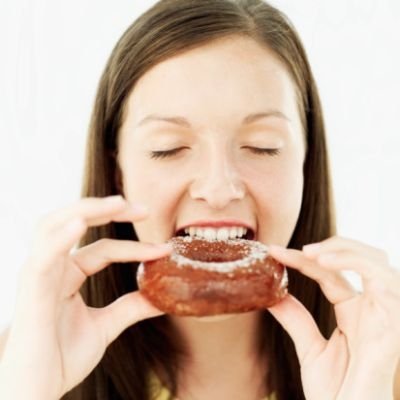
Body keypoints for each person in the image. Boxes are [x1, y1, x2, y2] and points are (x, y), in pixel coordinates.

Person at [0, 0, 399, 399]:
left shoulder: (381, 369)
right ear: (117, 169)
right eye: (168, 148)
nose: (218, 188)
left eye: (262, 146)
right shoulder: (21, 365)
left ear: (306, 162)